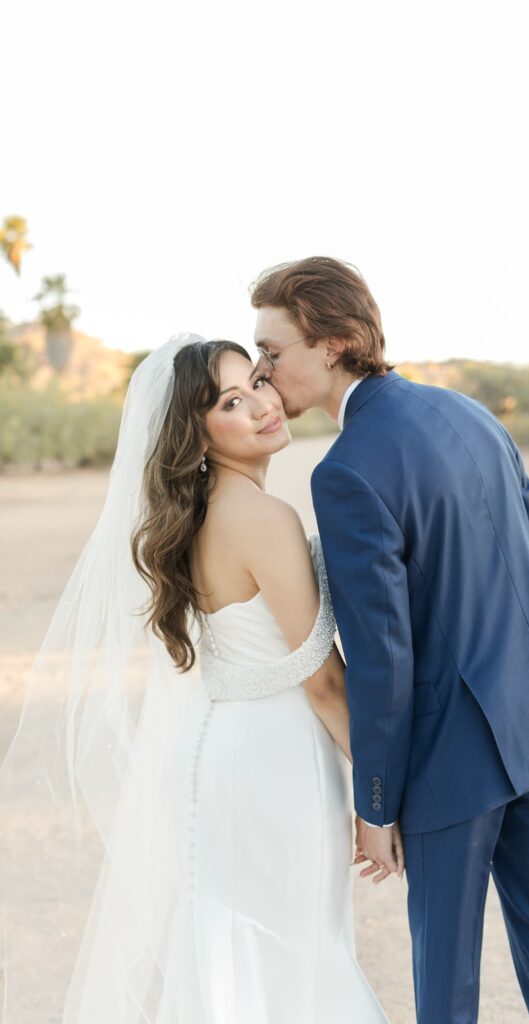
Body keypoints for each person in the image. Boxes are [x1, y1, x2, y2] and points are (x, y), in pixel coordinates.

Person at [250, 256, 529, 1024]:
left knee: (445, 981)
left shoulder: (345, 470)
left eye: (273, 351)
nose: (261, 369)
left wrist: (375, 804)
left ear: (337, 342)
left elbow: (384, 657)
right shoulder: (470, 414)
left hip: (452, 762)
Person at [0, 333, 392, 1022]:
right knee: (295, 950)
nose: (263, 407)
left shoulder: (198, 518)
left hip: (221, 754)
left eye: (258, 387)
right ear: (198, 434)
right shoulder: (264, 518)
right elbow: (323, 682)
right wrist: (382, 799)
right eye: (232, 402)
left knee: (237, 954)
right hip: (277, 764)